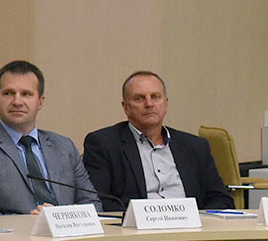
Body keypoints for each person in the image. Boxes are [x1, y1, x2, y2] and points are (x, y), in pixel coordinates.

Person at [0, 61, 98, 216]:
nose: (17, 102)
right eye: (8, 93)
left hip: (65, 230)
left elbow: (92, 203)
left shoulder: (64, 147)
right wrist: (25, 223)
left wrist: (62, 218)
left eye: (26, 94)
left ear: (40, 102)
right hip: (11, 232)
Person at [81, 71, 233, 210]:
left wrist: (200, 220)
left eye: (155, 97)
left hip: (191, 227)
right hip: (137, 228)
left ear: (165, 104)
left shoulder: (195, 146)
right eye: (139, 98)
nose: (149, 104)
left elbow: (221, 199)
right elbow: (99, 201)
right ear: (126, 108)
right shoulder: (104, 144)